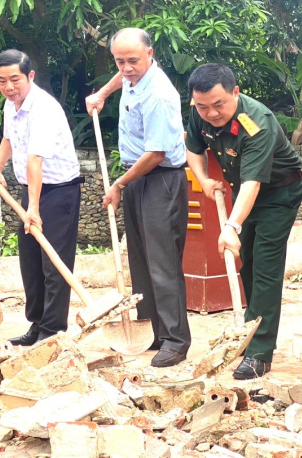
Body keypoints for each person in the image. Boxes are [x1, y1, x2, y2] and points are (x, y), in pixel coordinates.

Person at [185, 63, 302, 379]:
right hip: (244, 191)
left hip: (279, 193)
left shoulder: (257, 124)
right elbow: (193, 148)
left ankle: (259, 354)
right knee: (247, 265)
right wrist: (203, 178)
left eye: (219, 104)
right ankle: (253, 332)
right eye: (203, 106)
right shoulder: (199, 112)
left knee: (264, 266)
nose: (211, 113)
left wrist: (231, 226)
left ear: (235, 93)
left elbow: (254, 184)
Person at [85, 28, 191, 367]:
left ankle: (176, 340)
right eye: (120, 61)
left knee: (162, 263)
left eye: (133, 60)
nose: (126, 68)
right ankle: (154, 331)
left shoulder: (158, 94)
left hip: (159, 178)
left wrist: (119, 184)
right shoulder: (132, 77)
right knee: (141, 261)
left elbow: (157, 153)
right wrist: (101, 93)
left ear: (150, 53)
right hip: (137, 177)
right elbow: (121, 76)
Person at [0, 49, 82, 345]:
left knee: (53, 264)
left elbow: (34, 161)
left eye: (14, 79)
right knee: (30, 260)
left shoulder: (43, 108)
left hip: (58, 192)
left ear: (30, 76)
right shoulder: (10, 104)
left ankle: (52, 332)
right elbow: (7, 139)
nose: (8, 87)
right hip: (33, 189)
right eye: (2, 81)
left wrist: (34, 209)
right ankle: (37, 325)